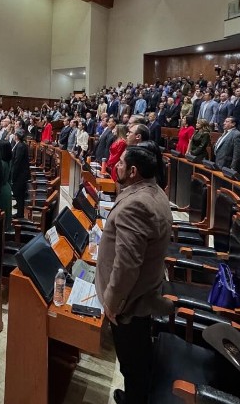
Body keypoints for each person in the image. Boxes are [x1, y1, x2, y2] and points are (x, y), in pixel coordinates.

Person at [95, 146, 173, 404]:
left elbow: (127, 264)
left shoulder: (137, 204)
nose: (115, 165)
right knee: (138, 358)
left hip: (130, 303)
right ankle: (135, 394)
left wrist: (112, 303)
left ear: (133, 171)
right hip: (144, 292)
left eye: (120, 163)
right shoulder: (155, 192)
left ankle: (135, 399)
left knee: (132, 363)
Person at [10, 129, 30, 219]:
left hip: (20, 174)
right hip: (20, 173)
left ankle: (20, 214)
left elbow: (17, 162)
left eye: (15, 135)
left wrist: (13, 174)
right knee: (18, 194)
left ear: (17, 136)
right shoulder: (19, 145)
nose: (14, 136)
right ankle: (19, 210)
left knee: (19, 194)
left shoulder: (21, 146)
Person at [0, 139, 14, 231]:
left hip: (1, 190)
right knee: (7, 213)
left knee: (2, 214)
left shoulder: (1, 163)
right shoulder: (8, 161)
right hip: (7, 187)